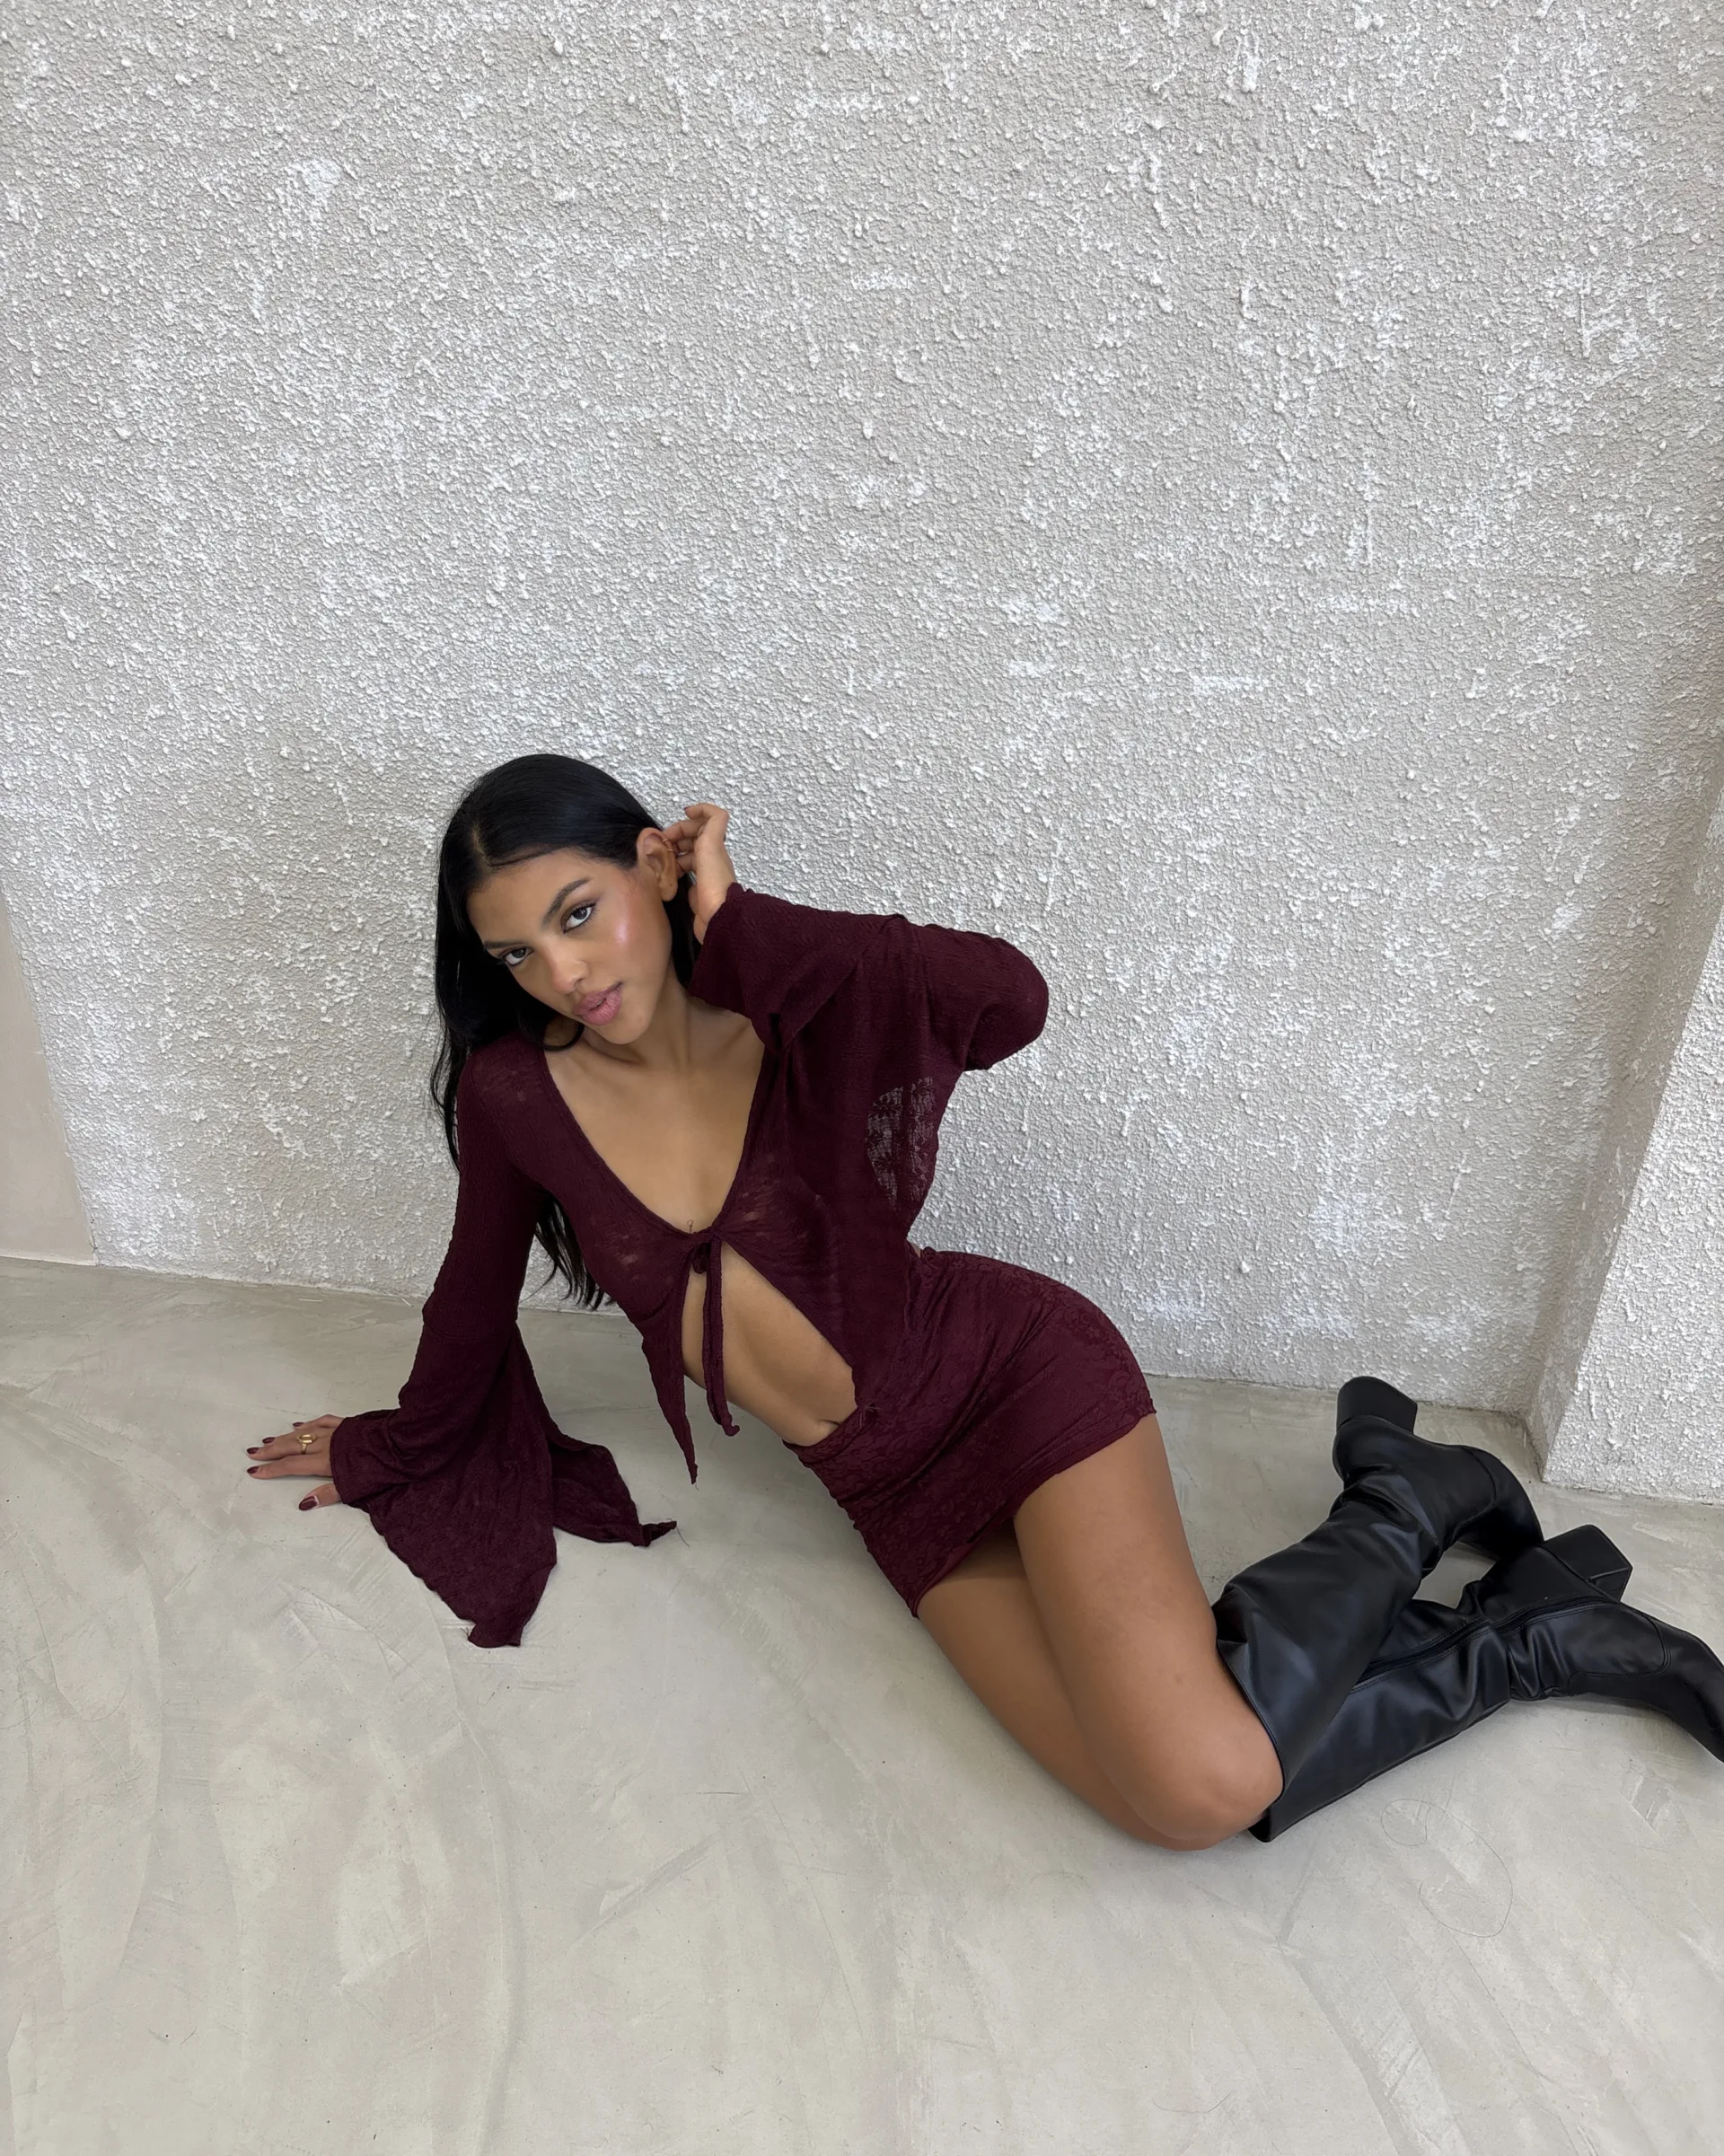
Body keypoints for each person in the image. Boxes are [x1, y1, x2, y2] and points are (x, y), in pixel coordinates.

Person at [245, 755, 1724, 1846]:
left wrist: (747, 925)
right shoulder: (519, 1097)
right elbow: (471, 1299)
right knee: (1167, 1798)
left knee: (1207, 1780)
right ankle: (1494, 1603)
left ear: (653, 865)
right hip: (889, 1491)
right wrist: (396, 1446)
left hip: (1013, 1380)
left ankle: (1414, 1529)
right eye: (517, 950)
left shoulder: (786, 1003)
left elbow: (1009, 998)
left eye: (581, 913)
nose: (563, 971)